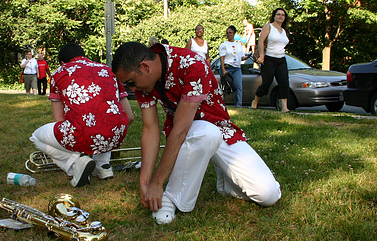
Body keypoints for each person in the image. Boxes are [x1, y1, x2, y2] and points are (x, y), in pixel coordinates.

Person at [112, 41, 281, 225]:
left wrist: (157, 182)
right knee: (206, 133)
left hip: (218, 129)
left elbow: (181, 128)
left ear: (145, 67)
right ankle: (170, 198)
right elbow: (149, 129)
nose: (132, 89)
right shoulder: (144, 82)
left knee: (268, 194)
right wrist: (145, 183)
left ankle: (225, 183)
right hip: (195, 135)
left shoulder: (191, 63)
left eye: (131, 83)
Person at [30, 43, 134, 187]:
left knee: (36, 137)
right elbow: (129, 117)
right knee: (105, 122)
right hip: (116, 135)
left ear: (62, 62)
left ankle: (75, 165)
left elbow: (59, 120)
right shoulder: (107, 70)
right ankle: (103, 166)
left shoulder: (59, 72)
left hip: (81, 136)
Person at [251, 8, 291, 112]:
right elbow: (261, 41)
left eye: (283, 15)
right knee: (266, 83)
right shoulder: (268, 26)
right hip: (269, 59)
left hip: (281, 59)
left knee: (284, 83)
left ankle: (284, 108)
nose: (281, 16)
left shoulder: (283, 31)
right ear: (274, 16)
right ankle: (255, 101)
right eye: (278, 14)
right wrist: (262, 56)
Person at [219, 26, 251, 107]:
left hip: (237, 68)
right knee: (225, 87)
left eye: (230, 32)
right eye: (227, 33)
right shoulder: (224, 45)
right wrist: (223, 70)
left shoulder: (238, 45)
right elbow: (222, 58)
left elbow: (241, 57)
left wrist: (248, 57)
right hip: (227, 67)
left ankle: (238, 105)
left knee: (238, 87)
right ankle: (222, 105)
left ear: (234, 33)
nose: (228, 34)